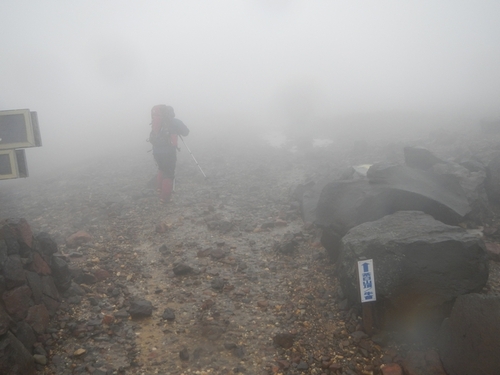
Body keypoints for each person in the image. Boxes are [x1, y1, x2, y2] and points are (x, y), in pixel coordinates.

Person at [149, 105, 189, 203]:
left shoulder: (157, 122)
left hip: (156, 151)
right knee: (169, 173)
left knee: (161, 169)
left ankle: (159, 189)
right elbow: (186, 132)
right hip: (168, 152)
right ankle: (165, 198)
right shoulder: (174, 122)